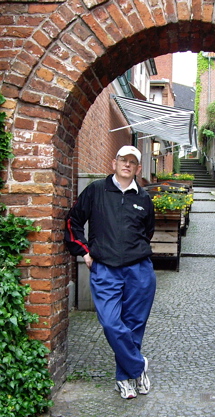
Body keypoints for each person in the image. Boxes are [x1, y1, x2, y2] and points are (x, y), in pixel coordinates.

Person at [65, 145, 156, 399]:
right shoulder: (96, 190)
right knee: (110, 322)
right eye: (122, 160)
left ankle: (124, 378)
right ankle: (139, 366)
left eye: (132, 162)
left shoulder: (144, 198)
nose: (127, 164)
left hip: (139, 270)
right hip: (105, 268)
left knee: (134, 325)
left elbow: (147, 231)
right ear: (114, 163)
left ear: (138, 168)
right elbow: (73, 221)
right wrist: (84, 251)